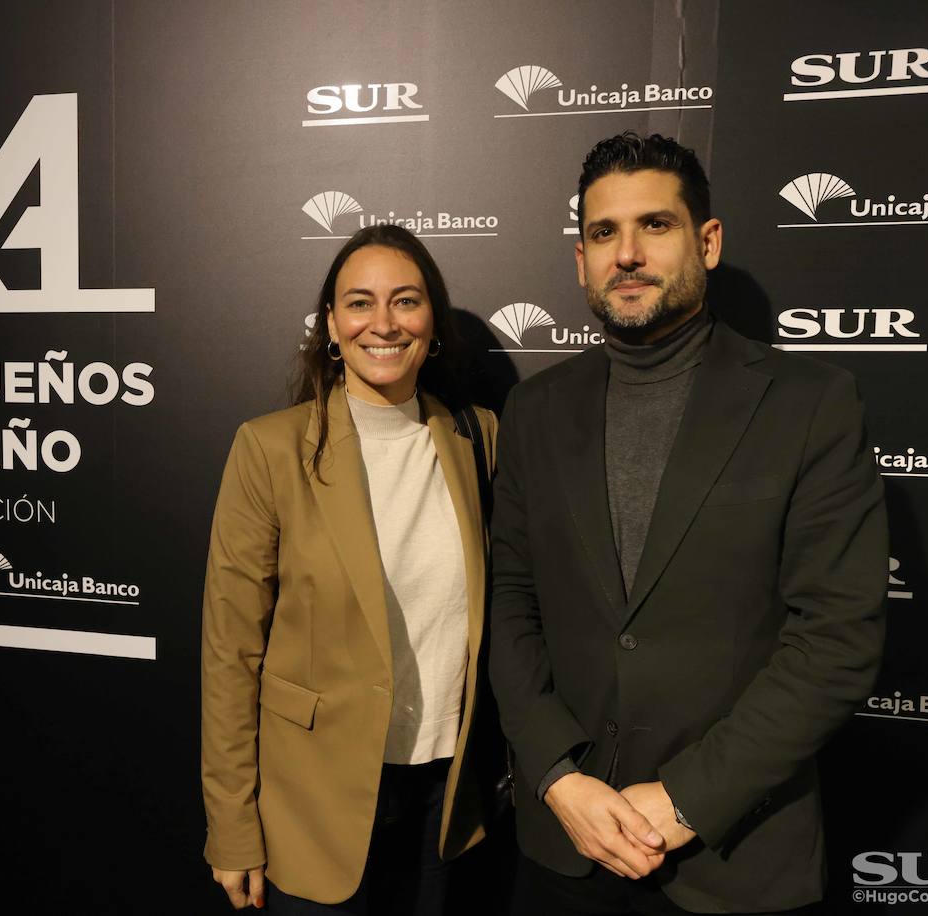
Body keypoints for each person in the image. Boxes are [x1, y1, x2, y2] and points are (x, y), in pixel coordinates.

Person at [489, 132, 887, 915]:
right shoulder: (534, 409)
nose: (627, 253)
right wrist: (556, 776)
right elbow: (510, 602)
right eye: (604, 233)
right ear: (580, 258)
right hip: (565, 847)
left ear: (706, 241)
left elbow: (837, 638)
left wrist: (688, 799)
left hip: (733, 857)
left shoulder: (812, 403)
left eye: (655, 225)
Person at [201, 224, 502, 914]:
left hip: (444, 795)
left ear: (432, 321)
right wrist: (232, 826)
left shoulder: (477, 437)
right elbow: (230, 654)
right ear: (331, 326)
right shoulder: (270, 449)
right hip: (311, 803)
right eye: (360, 303)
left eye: (406, 301)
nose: (384, 323)